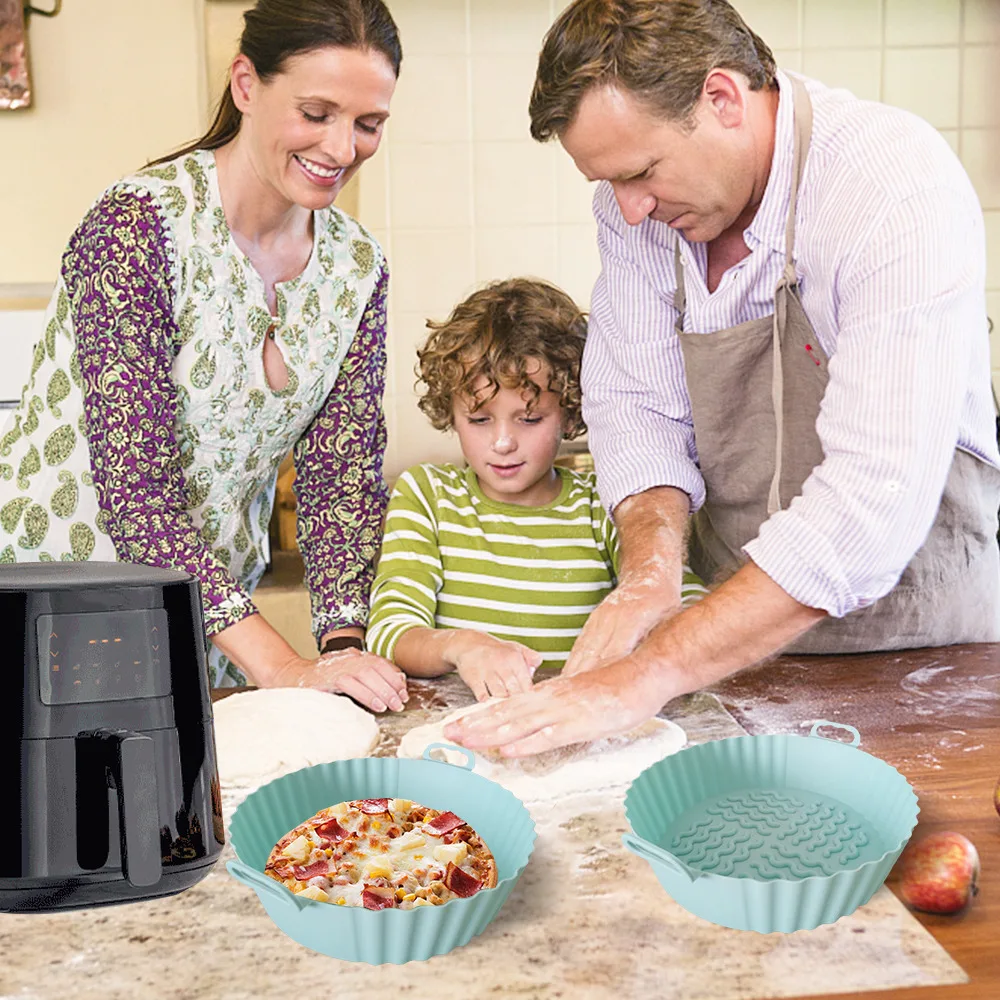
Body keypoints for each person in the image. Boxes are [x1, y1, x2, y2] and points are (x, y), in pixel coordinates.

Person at [447, 0, 1000, 756]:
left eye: (642, 172)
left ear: (722, 99)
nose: (630, 209)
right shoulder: (639, 213)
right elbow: (639, 409)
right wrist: (650, 575)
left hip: (922, 663)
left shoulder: (890, 188)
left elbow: (871, 501)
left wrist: (644, 674)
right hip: (731, 663)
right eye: (610, 184)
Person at [0, 0, 408, 713]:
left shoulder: (358, 268)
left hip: (211, 613)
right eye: (317, 114)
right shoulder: (138, 226)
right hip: (56, 597)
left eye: (368, 123)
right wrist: (283, 669)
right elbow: (138, 493)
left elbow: (338, 477)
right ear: (247, 84)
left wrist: (343, 653)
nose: (343, 148)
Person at [366, 278, 709, 701]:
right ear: (450, 413)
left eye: (529, 419)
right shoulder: (428, 496)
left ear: (569, 413)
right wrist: (462, 646)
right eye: (479, 420)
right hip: (456, 735)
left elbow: (679, 600)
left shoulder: (604, 504)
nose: (503, 442)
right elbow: (389, 632)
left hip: (579, 726)